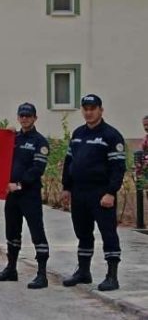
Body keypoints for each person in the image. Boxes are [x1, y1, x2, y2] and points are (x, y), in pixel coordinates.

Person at [61, 94, 126, 292]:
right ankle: (83, 271)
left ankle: (112, 276)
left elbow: (118, 167)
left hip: (101, 193)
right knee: (83, 233)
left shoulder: (111, 135)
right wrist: (66, 187)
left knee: (108, 233)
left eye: (93, 108)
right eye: (86, 109)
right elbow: (69, 162)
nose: (89, 112)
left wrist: (110, 192)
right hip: (79, 192)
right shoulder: (78, 133)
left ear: (101, 110)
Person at [0, 103, 50, 289]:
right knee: (12, 232)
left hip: (29, 194)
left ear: (35, 118)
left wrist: (18, 184)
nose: (25, 119)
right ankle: (11, 268)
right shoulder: (13, 138)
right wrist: (3, 137)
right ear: (18, 117)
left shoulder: (40, 142)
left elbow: (37, 170)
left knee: (37, 233)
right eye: (22, 115)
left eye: (28, 116)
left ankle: (42, 274)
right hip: (12, 195)